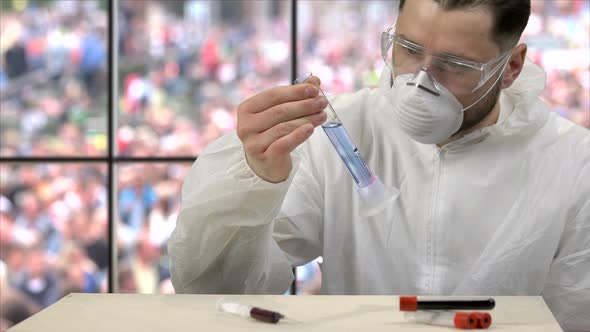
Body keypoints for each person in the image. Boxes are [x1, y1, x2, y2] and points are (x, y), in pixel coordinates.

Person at [168, 1, 589, 331]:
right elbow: (214, 290)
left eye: (456, 65)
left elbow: (575, 317)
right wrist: (257, 178)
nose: (422, 81)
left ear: (511, 67)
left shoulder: (571, 164)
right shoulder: (341, 130)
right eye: (407, 49)